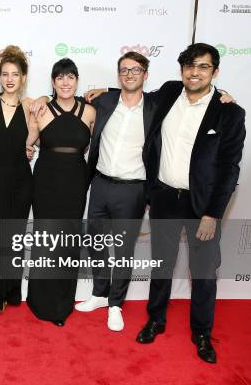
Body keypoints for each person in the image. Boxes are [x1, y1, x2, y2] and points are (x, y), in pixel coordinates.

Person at [137, 43, 245, 364]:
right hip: (165, 198)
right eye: (188, 66)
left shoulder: (229, 112)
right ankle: (155, 319)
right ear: (181, 69)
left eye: (202, 67)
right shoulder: (170, 92)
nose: (194, 72)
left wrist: (214, 212)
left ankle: (201, 332)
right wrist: (105, 90)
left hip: (203, 207)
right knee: (161, 265)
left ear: (215, 72)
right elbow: (135, 95)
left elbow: (229, 168)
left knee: (204, 273)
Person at [74, 52, 156, 331]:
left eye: (135, 70)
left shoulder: (156, 106)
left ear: (145, 74)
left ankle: (116, 304)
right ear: (118, 74)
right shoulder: (105, 101)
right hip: (100, 183)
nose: (129, 74)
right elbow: (67, 97)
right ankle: (99, 293)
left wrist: (224, 94)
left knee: (123, 250)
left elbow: (190, 86)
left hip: (132, 190)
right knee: (95, 242)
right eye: (124, 70)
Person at [26, 58, 95, 326]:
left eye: (70, 77)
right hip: (45, 182)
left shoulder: (90, 111)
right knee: (45, 240)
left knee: (68, 242)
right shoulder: (41, 109)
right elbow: (28, 142)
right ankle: (40, 301)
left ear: (77, 81)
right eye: (60, 78)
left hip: (75, 182)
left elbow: (92, 146)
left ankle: (62, 304)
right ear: (53, 82)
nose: (65, 82)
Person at [0, 46, 39, 318]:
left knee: (13, 237)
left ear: (23, 77)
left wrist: (30, 146)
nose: (9, 79)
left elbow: (33, 141)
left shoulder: (31, 105)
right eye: (4, 74)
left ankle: (10, 291)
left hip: (20, 182)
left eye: (15, 74)